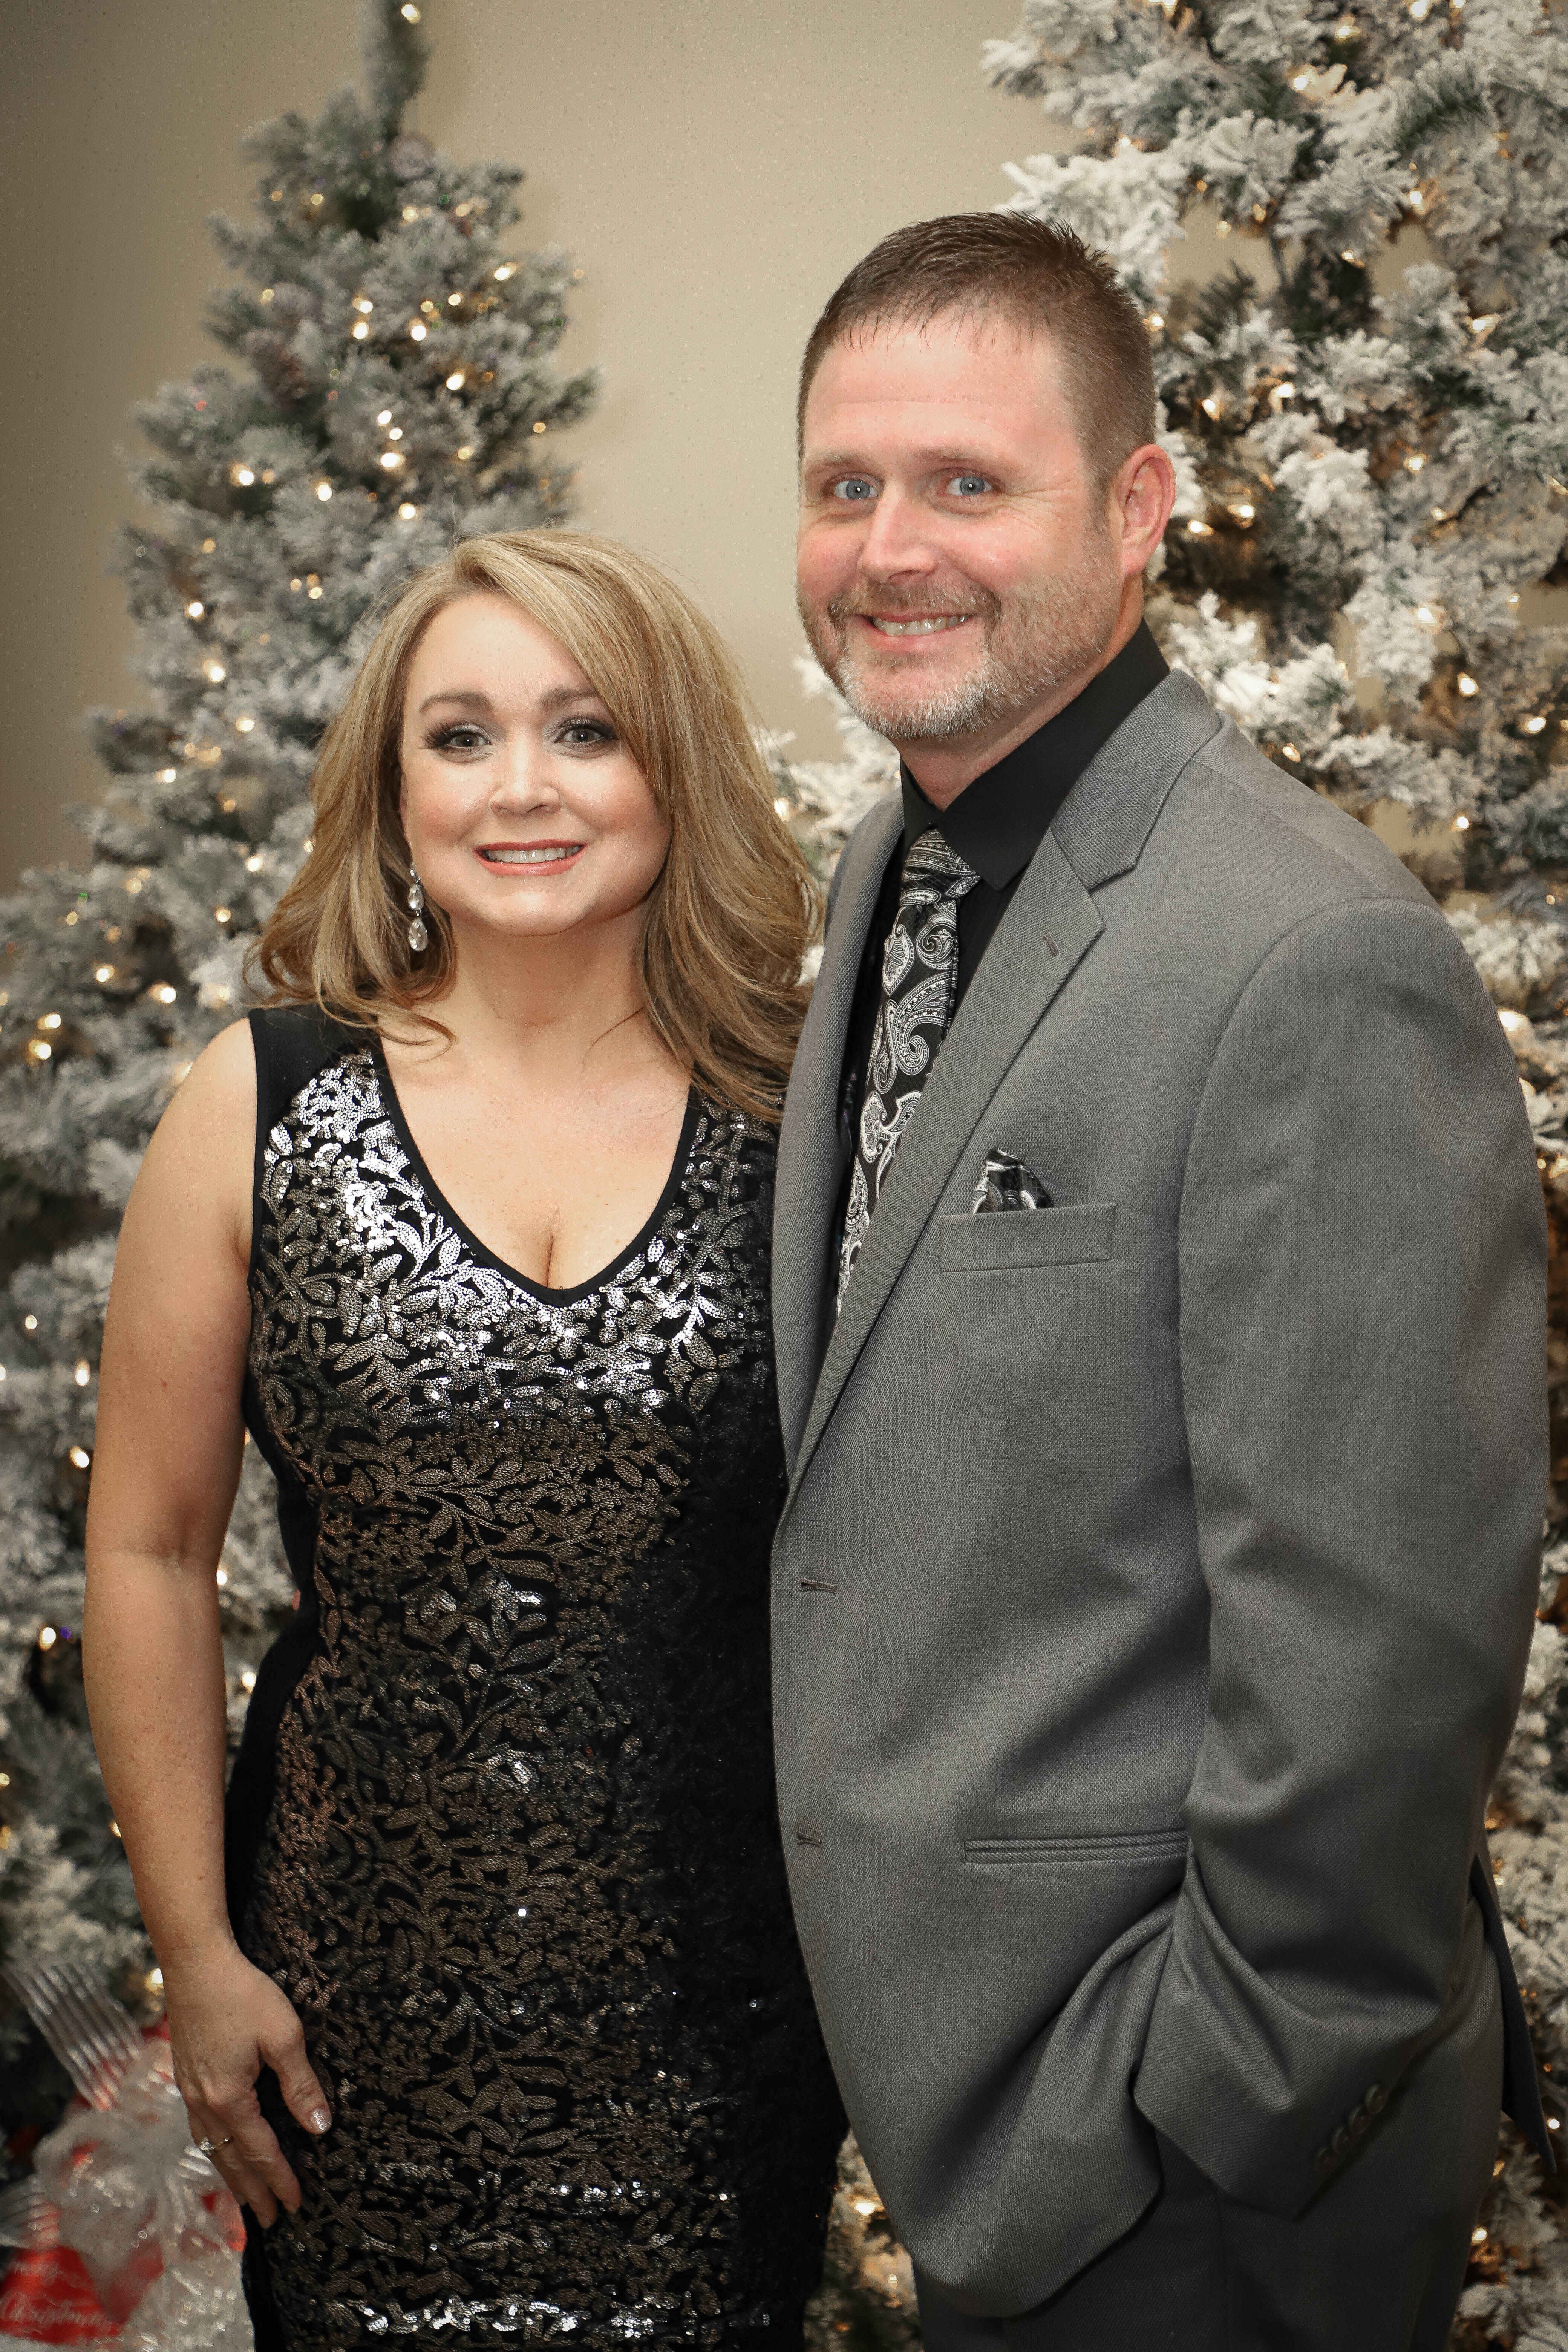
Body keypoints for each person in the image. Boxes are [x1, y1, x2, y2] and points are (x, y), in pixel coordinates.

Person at [770, 211, 1549, 2351]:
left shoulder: (1310, 956)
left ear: (1136, 512)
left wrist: (1194, 2108)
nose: (890, 548)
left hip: (1189, 2189)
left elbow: (1378, 1660)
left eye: (967, 482)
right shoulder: (889, 870)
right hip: (973, 2127)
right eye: (844, 485)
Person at [83, 530, 844, 2350]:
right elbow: (149, 1549)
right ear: (393, 786)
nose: (520, 789)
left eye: (584, 731)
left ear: (672, 766)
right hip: (343, 2016)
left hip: (720, 2010)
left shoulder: (803, 1115)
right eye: (460, 736)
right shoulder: (259, 1101)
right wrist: (197, 1957)